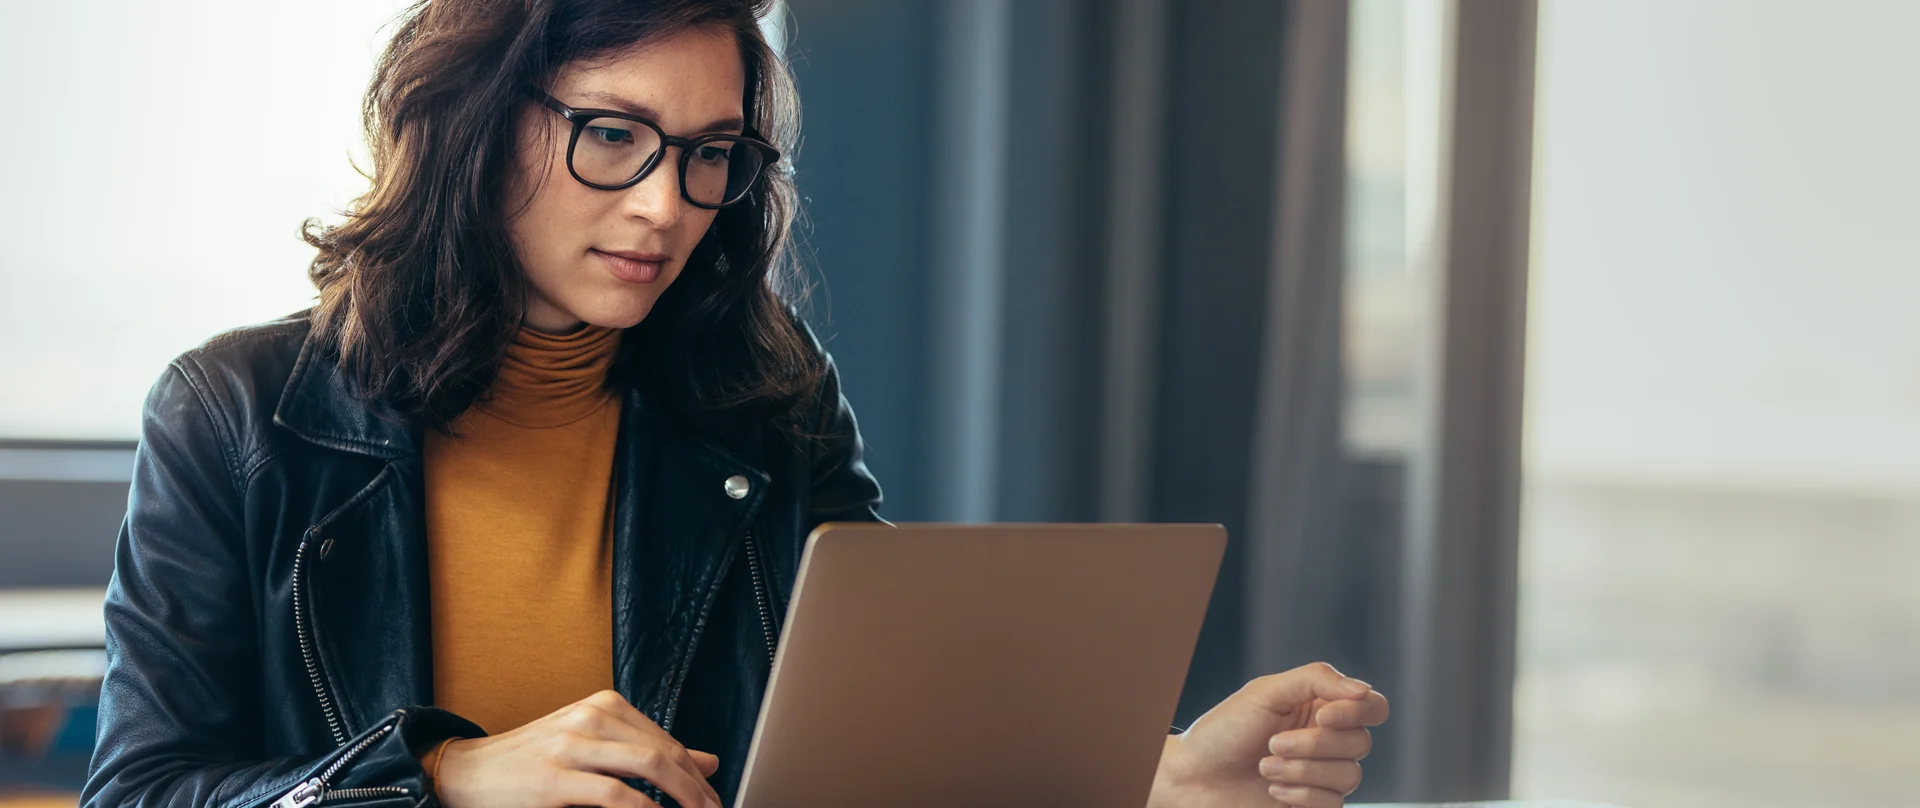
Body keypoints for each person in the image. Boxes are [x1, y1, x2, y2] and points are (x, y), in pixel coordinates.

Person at [79, 1, 1389, 807]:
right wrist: (443, 781)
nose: (665, 204)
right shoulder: (237, 415)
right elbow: (143, 793)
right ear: (474, 123)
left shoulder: (762, 394)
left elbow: (889, 738)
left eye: (711, 154)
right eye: (612, 134)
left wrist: (1154, 780)